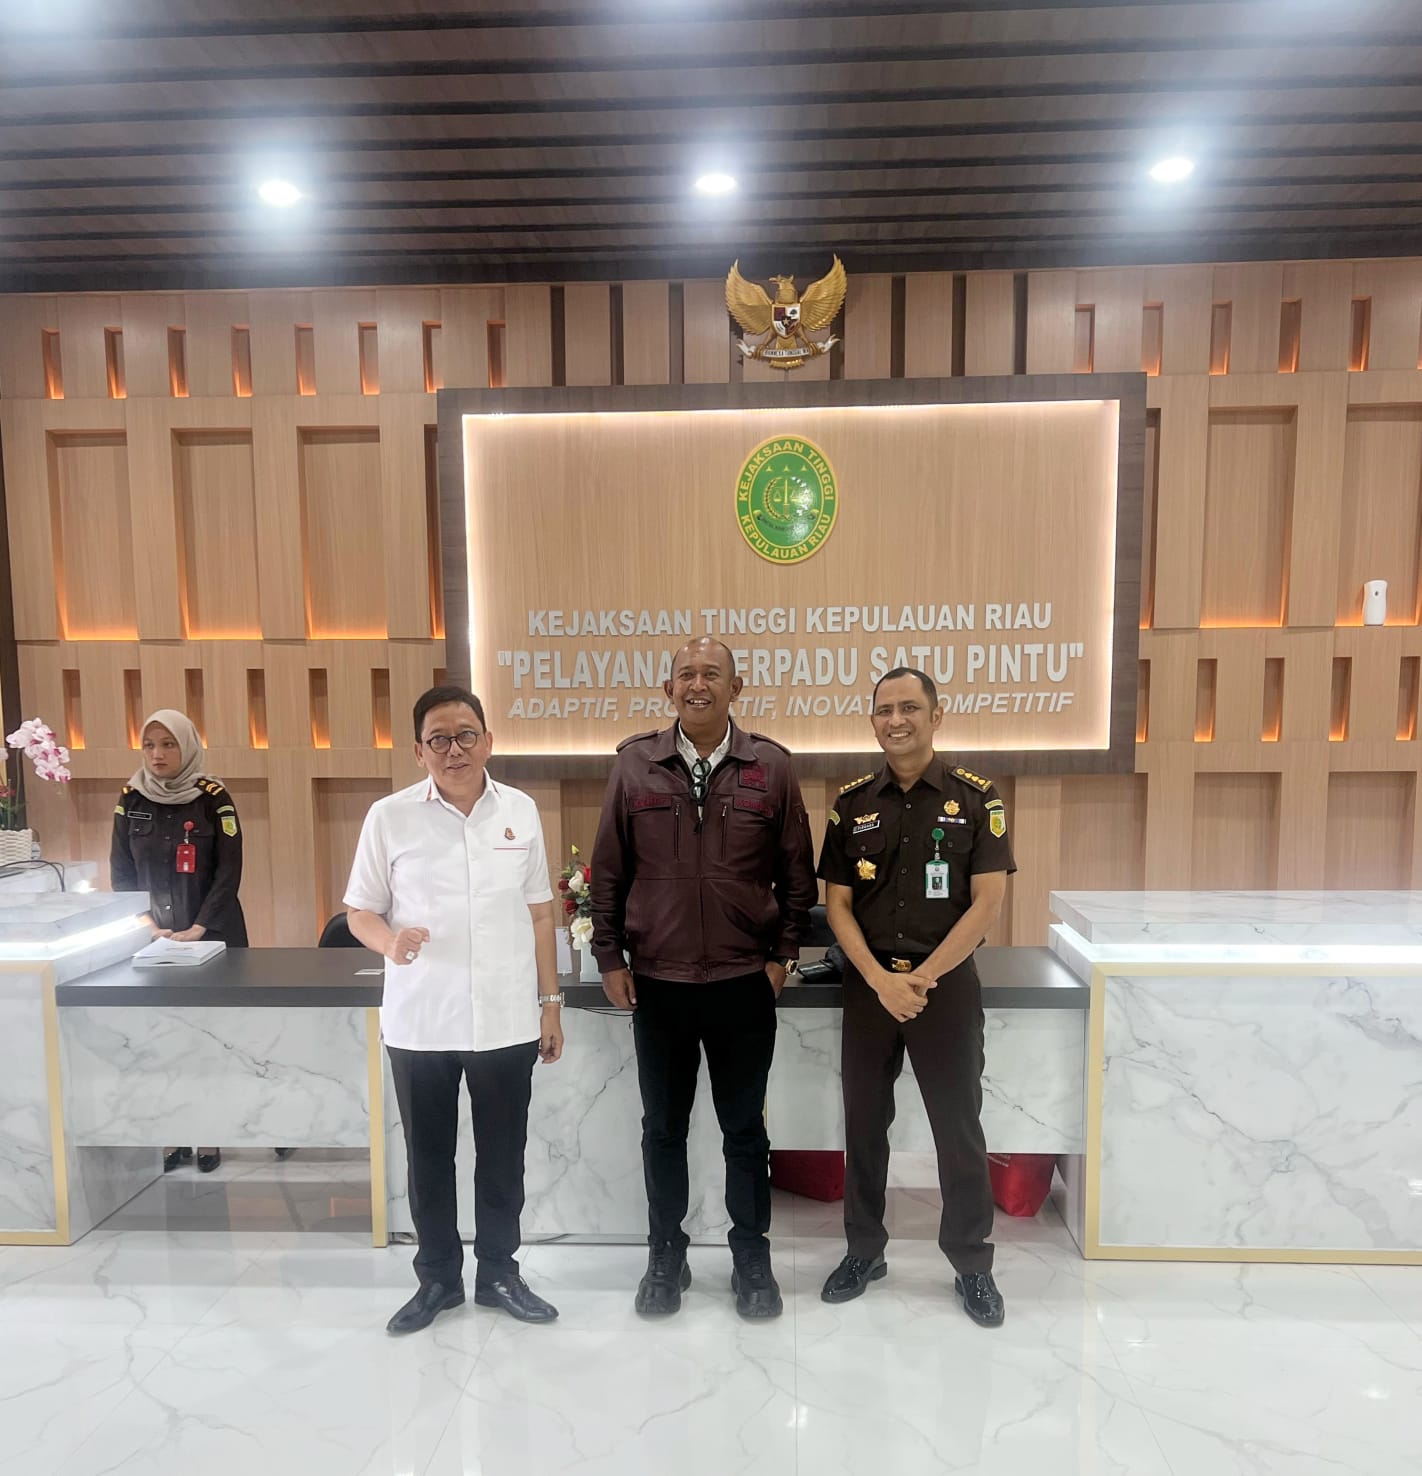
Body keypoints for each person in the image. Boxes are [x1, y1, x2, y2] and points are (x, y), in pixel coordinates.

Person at [591, 637, 817, 1320]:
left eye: (711, 674)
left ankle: (752, 1256)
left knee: (744, 1129)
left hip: (744, 981)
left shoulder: (771, 767)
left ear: (735, 688)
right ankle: (667, 1254)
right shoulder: (634, 765)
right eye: (686, 674)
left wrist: (781, 958)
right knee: (662, 1128)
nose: (698, 684)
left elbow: (797, 876)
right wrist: (609, 957)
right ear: (668, 689)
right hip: (659, 982)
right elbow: (609, 870)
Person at [345, 684, 564, 1336]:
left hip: (505, 1017)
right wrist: (390, 942)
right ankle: (437, 1279)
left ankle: (498, 1273)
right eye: (438, 739)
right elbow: (359, 911)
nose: (454, 749)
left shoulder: (520, 810)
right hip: (421, 1020)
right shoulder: (389, 817)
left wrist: (550, 1005)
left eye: (466, 735)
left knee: (502, 1157)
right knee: (429, 1160)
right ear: (419, 751)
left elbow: (540, 913)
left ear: (488, 741)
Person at [816, 667, 1014, 1329]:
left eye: (908, 708)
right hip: (869, 987)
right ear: (873, 720)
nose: (895, 720)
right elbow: (836, 905)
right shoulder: (851, 804)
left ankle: (971, 1263)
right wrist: (880, 980)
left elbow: (987, 903)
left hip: (944, 988)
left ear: (935, 715)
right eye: (884, 710)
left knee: (958, 1130)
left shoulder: (976, 798)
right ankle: (863, 1252)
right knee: (864, 1126)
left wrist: (920, 978)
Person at [111, 708, 247, 1176]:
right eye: (149, 745)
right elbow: (121, 872)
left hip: (214, 936)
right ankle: (172, 1133)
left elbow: (229, 871)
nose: (158, 754)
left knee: (212, 1039)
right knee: (161, 1039)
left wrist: (200, 927)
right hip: (154, 942)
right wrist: (147, 926)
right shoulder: (131, 799)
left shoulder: (213, 798)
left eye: (168, 744)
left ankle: (211, 1134)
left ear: (187, 746)